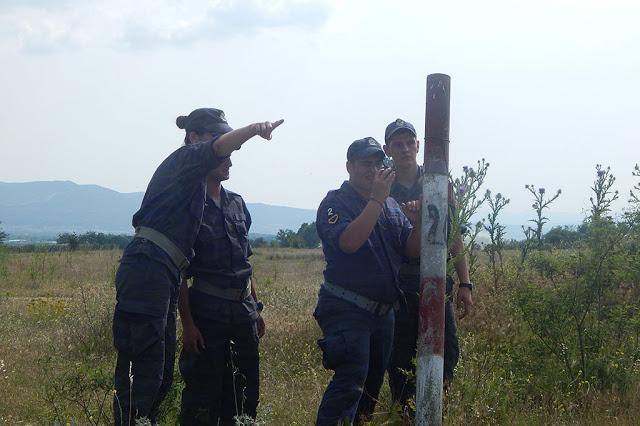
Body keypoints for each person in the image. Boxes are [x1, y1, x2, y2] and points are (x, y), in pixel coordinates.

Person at [112, 107, 283, 425]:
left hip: (165, 269)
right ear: (193, 139)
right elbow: (216, 150)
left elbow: (241, 258)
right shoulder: (184, 160)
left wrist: (254, 305)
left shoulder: (206, 191)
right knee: (143, 377)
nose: (227, 152)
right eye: (216, 138)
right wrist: (253, 129)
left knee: (160, 376)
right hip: (150, 264)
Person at [314, 137, 422, 425]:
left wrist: (419, 223)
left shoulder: (390, 205)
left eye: (378, 163)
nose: (373, 169)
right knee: (350, 383)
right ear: (349, 166)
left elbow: (410, 253)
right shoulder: (335, 203)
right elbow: (349, 243)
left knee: (370, 392)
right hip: (347, 308)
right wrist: (376, 199)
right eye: (365, 164)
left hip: (383, 313)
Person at [382, 118, 473, 416]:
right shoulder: (382, 186)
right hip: (400, 284)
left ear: (419, 145)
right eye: (398, 144)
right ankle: (404, 415)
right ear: (388, 150)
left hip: (437, 280)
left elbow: (454, 233)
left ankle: (435, 410)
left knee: (446, 351)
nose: (405, 149)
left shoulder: (437, 182)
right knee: (400, 356)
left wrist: (465, 284)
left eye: (410, 142)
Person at [177, 147, 265, 424]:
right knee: (204, 396)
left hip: (243, 313)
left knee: (245, 393)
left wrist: (257, 308)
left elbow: (246, 264)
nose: (229, 163)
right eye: (223, 157)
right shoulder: (188, 206)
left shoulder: (236, 203)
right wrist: (188, 325)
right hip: (207, 314)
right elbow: (180, 271)